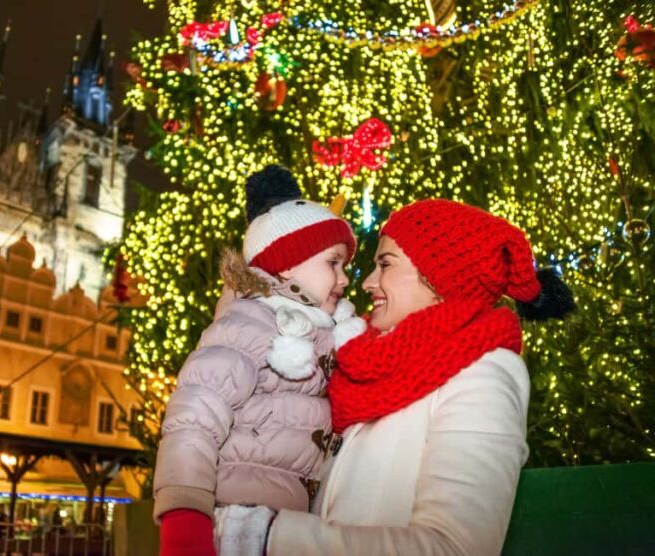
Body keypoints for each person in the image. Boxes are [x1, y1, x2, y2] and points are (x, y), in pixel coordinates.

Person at [217, 199, 576, 555]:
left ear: (442, 276)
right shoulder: (363, 368)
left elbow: (455, 548)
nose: (368, 283)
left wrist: (269, 536)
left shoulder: (484, 374)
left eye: (385, 264)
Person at [154, 165, 365, 556]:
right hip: (237, 527)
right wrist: (185, 515)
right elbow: (195, 417)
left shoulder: (323, 333)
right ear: (287, 263)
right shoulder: (251, 323)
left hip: (284, 528)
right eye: (333, 263)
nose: (344, 279)